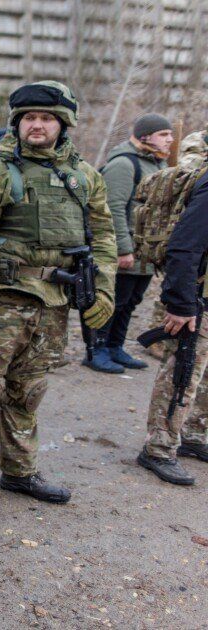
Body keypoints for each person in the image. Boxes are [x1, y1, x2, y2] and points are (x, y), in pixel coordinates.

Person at [0, 81, 117, 510]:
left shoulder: (84, 177)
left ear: (64, 124)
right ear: (17, 124)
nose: (36, 126)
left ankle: (19, 472)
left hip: (54, 302)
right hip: (0, 302)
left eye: (46, 118)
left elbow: (105, 236)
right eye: (28, 119)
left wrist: (104, 289)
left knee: (29, 389)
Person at [136, 131, 208, 485]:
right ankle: (158, 448)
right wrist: (181, 304)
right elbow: (183, 246)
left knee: (203, 376)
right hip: (197, 298)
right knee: (183, 373)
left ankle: (194, 435)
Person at [84, 114, 173, 373]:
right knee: (113, 300)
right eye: (164, 135)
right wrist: (122, 249)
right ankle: (96, 350)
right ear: (145, 136)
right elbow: (111, 208)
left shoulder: (157, 164)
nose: (170, 140)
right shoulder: (125, 164)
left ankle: (115, 347)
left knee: (131, 300)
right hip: (126, 249)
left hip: (145, 252)